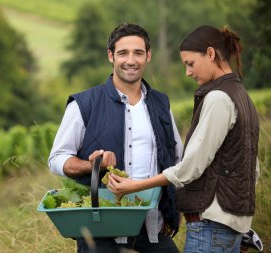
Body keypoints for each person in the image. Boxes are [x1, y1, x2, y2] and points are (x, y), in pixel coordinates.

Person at [107, 25, 260, 253]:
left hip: (211, 226)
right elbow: (252, 171)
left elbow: (190, 169)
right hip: (231, 224)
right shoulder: (242, 96)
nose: (188, 72)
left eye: (190, 63)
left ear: (210, 54)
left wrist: (135, 186)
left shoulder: (218, 98)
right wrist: (237, 227)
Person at [48, 23, 183, 253]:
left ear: (148, 56)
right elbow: (57, 159)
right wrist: (91, 165)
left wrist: (175, 212)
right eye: (123, 53)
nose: (131, 60)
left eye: (138, 52)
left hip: (153, 231)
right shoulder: (84, 104)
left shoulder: (162, 104)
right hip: (102, 235)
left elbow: (178, 161)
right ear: (111, 56)